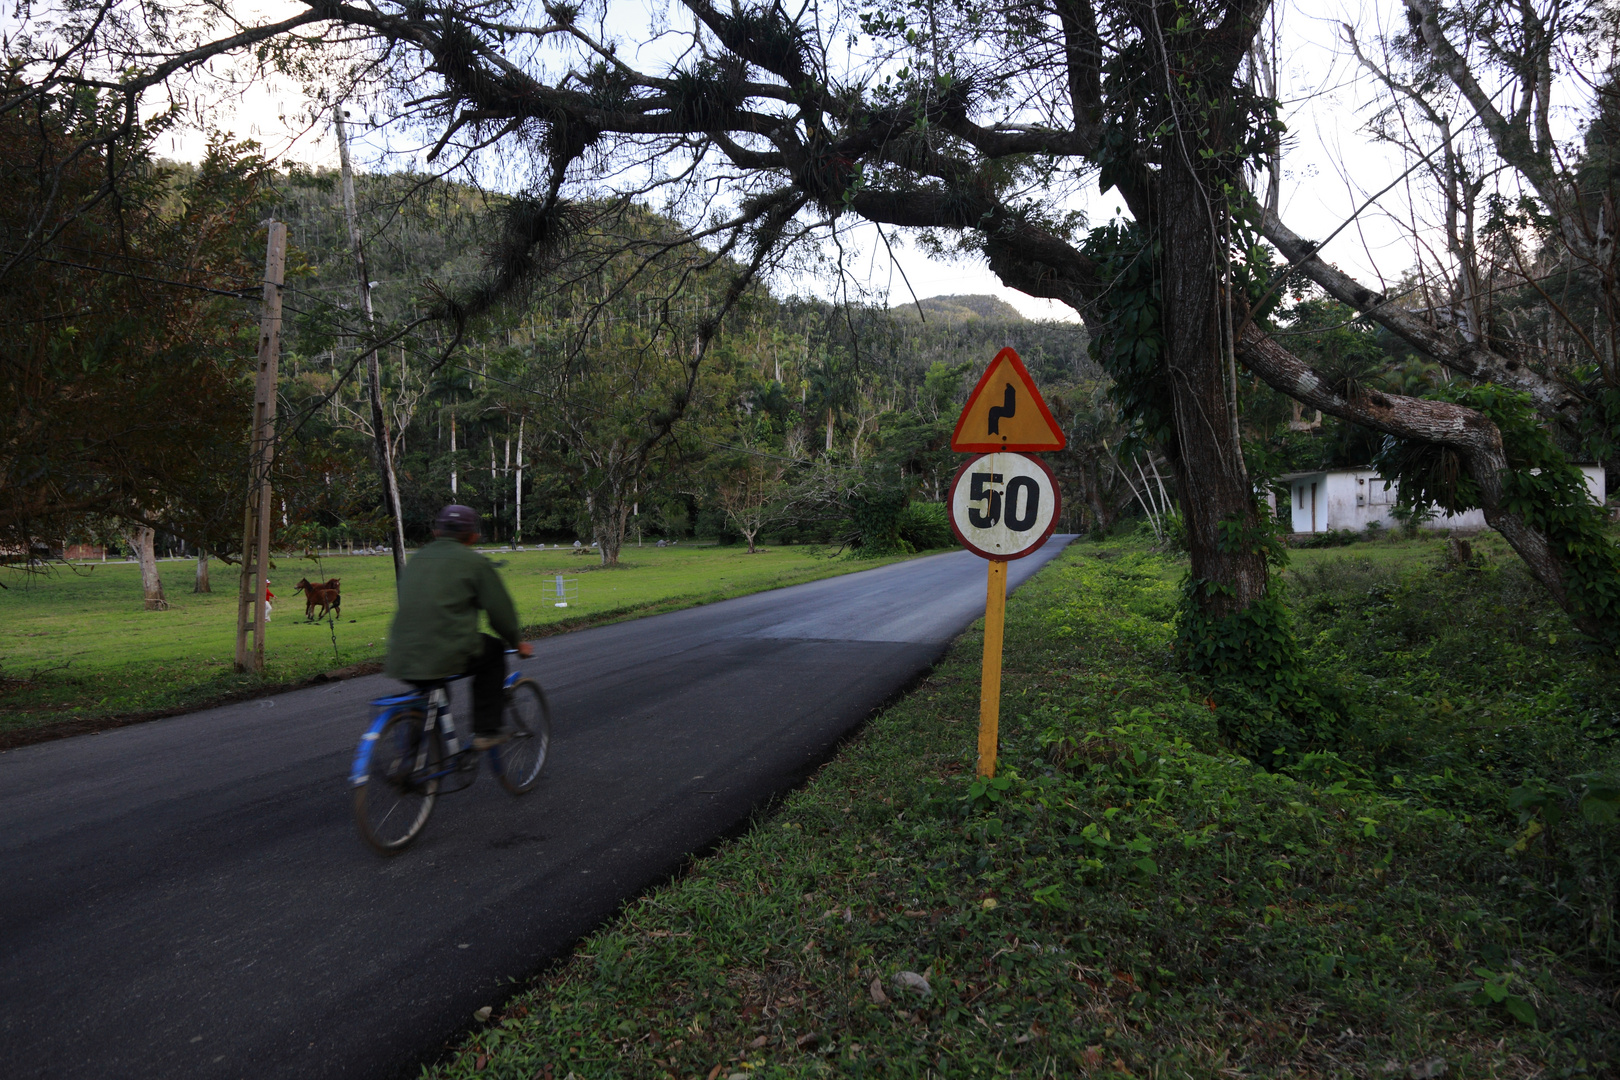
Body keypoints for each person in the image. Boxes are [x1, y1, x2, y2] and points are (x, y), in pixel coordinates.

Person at [384, 504, 534, 750]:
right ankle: (487, 730)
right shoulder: (473, 562)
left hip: (401, 653)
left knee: (434, 691)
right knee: (494, 652)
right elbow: (500, 613)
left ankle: (412, 760)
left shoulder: (417, 559)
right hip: (445, 649)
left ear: (437, 532)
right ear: (473, 536)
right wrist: (516, 641)